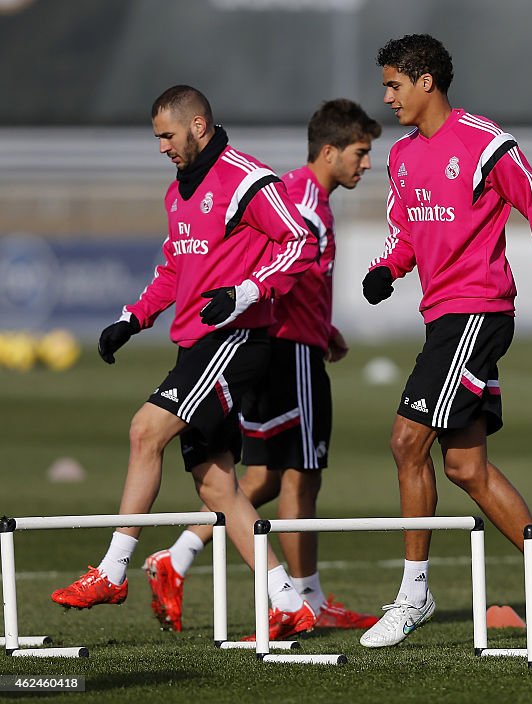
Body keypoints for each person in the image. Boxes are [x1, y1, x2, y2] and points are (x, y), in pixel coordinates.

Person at [51, 85, 321, 642]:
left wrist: (246, 292)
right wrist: (132, 318)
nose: (161, 148)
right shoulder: (178, 191)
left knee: (145, 431)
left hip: (234, 342)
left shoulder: (248, 180)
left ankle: (112, 570)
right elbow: (176, 268)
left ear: (198, 125)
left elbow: (301, 241)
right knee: (218, 489)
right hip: (197, 344)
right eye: (157, 139)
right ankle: (289, 602)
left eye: (166, 136)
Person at [357, 34, 532, 648]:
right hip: (442, 316)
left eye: (393, 85)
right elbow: (404, 232)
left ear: (425, 80)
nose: (387, 98)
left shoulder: (487, 143)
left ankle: (413, 594)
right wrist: (389, 267)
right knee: (465, 466)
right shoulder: (403, 157)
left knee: (407, 440)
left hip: (478, 312)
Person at [143, 99, 383, 633]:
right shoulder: (297, 196)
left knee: (265, 477)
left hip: (286, 341)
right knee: (300, 475)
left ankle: (178, 557)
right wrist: (307, 330)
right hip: (283, 348)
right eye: (361, 153)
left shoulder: (304, 193)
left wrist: (327, 328)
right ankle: (303, 601)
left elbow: (294, 276)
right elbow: (273, 264)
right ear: (330, 150)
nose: (366, 165)